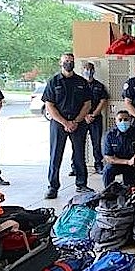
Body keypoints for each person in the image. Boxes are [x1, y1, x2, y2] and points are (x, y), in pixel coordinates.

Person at [42, 52, 92, 199]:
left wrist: (76, 121)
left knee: (79, 155)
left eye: (71, 61)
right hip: (59, 123)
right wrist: (65, 122)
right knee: (55, 155)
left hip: (78, 123)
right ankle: (53, 187)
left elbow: (87, 104)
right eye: (66, 61)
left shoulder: (81, 82)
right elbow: (49, 105)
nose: (68, 63)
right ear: (60, 63)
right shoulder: (53, 82)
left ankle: (81, 184)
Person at [102, 110, 135, 188]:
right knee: (107, 170)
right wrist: (127, 162)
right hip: (118, 163)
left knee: (129, 190)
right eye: (120, 120)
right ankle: (108, 192)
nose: (123, 122)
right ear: (116, 121)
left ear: (130, 120)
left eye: (126, 120)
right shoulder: (109, 135)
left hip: (134, 164)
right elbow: (108, 158)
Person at [81, 61, 108, 175]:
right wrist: (85, 115)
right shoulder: (79, 85)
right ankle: (76, 166)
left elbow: (103, 101)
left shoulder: (99, 86)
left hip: (95, 118)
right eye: (86, 69)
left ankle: (98, 164)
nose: (88, 72)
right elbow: (76, 103)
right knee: (79, 143)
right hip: (81, 118)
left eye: (90, 69)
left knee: (96, 143)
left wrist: (94, 114)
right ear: (82, 70)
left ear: (94, 71)